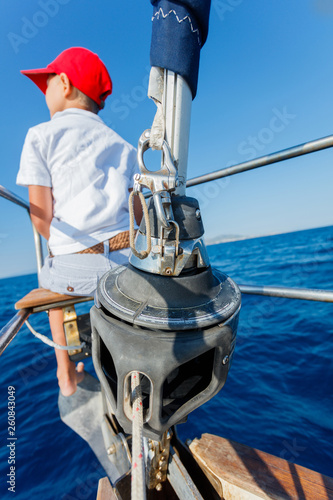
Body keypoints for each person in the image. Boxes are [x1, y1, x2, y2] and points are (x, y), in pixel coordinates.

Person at [17, 47, 142, 397]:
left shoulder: (39, 136)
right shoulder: (125, 147)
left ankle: (66, 374)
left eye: (48, 83)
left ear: (65, 83)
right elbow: (138, 218)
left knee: (51, 272)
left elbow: (41, 220)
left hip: (73, 273)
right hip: (125, 270)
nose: (44, 92)